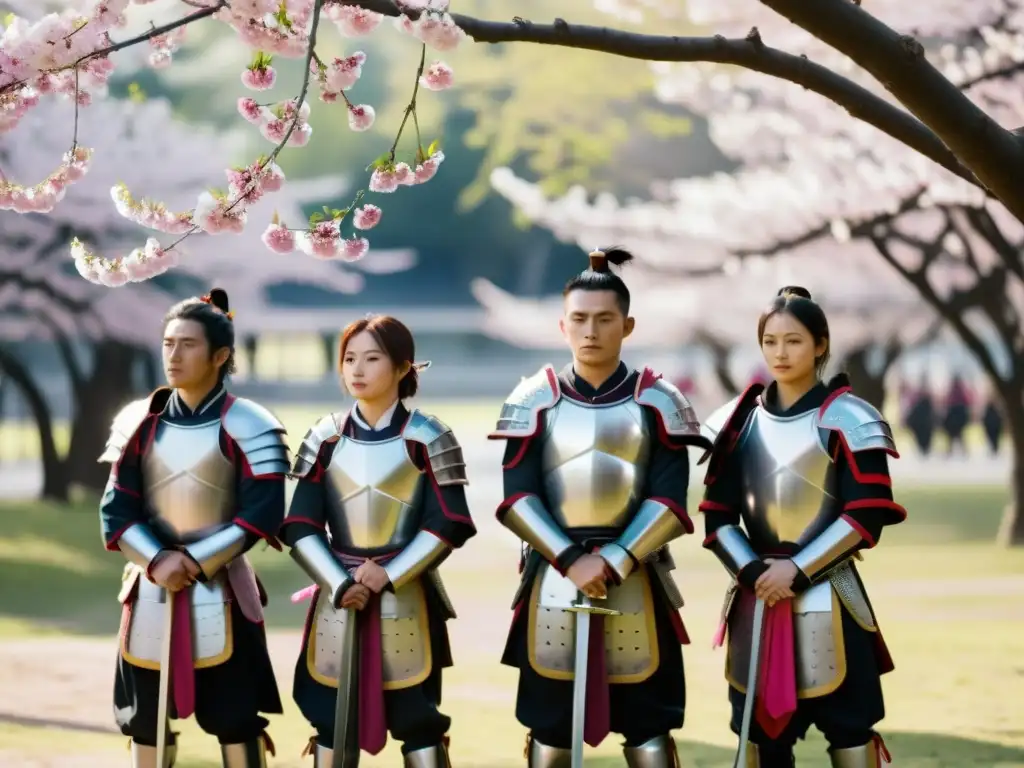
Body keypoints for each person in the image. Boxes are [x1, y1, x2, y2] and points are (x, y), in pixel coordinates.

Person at [488, 247, 712, 767]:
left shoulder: (659, 400)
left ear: (627, 325)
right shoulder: (532, 399)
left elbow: (669, 501)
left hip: (637, 573)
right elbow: (517, 496)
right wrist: (571, 559)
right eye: (580, 319)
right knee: (550, 728)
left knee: (648, 728)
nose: (591, 331)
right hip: (552, 577)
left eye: (605, 319)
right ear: (561, 323)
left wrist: (613, 560)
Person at [698, 287, 906, 768]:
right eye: (770, 341)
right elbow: (717, 515)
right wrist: (753, 572)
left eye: (793, 341)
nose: (780, 353)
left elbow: (865, 513)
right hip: (757, 598)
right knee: (759, 738)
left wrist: (797, 570)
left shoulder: (850, 419)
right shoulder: (738, 422)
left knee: (850, 730)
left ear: (820, 344)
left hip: (830, 592)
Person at [98, 288, 289, 768]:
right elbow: (117, 508)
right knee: (144, 718)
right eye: (168, 343)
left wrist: (196, 560)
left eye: (187, 344)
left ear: (220, 355)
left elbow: (261, 514)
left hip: (223, 589)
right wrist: (160, 560)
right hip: (149, 590)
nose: (174, 355)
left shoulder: (251, 425)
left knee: (236, 719)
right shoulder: (139, 422)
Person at [279, 314, 477, 768]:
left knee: (417, 719)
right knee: (329, 719)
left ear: (404, 367)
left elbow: (448, 522)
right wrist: (340, 581)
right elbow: (301, 524)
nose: (357, 370)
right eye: (349, 358)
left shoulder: (429, 437)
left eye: (372, 358)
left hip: (407, 599)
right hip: (337, 600)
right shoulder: (324, 437)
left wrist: (388, 572)